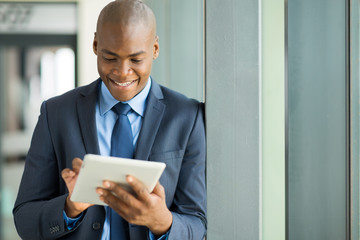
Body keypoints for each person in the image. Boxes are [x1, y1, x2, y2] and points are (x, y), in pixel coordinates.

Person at [12, 0, 206, 239]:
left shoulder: (188, 116)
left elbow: (197, 223)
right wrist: (70, 208)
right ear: (95, 45)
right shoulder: (56, 113)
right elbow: (25, 218)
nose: (122, 72)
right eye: (110, 58)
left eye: (136, 60)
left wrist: (162, 222)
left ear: (155, 49)